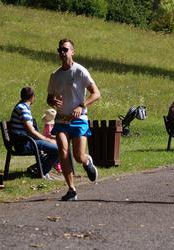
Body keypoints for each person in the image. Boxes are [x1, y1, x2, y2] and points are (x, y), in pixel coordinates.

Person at [47, 38, 101, 201]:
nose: (62, 53)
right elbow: (49, 98)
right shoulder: (55, 75)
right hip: (61, 120)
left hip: (78, 120)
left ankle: (87, 162)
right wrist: (53, 101)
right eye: (60, 50)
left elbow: (96, 93)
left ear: (72, 52)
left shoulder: (80, 71)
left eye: (65, 50)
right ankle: (71, 189)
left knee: (78, 155)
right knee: (63, 152)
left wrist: (81, 106)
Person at [10, 86, 59, 179]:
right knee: (58, 150)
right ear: (33, 97)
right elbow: (30, 130)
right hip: (24, 143)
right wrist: (47, 140)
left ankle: (36, 169)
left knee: (57, 146)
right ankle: (40, 172)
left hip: (25, 141)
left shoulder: (22, 107)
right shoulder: (23, 109)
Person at [41, 108, 62, 173]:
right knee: (59, 147)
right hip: (48, 140)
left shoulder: (50, 125)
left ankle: (57, 162)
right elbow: (49, 135)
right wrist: (57, 137)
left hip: (50, 140)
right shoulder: (48, 126)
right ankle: (57, 163)